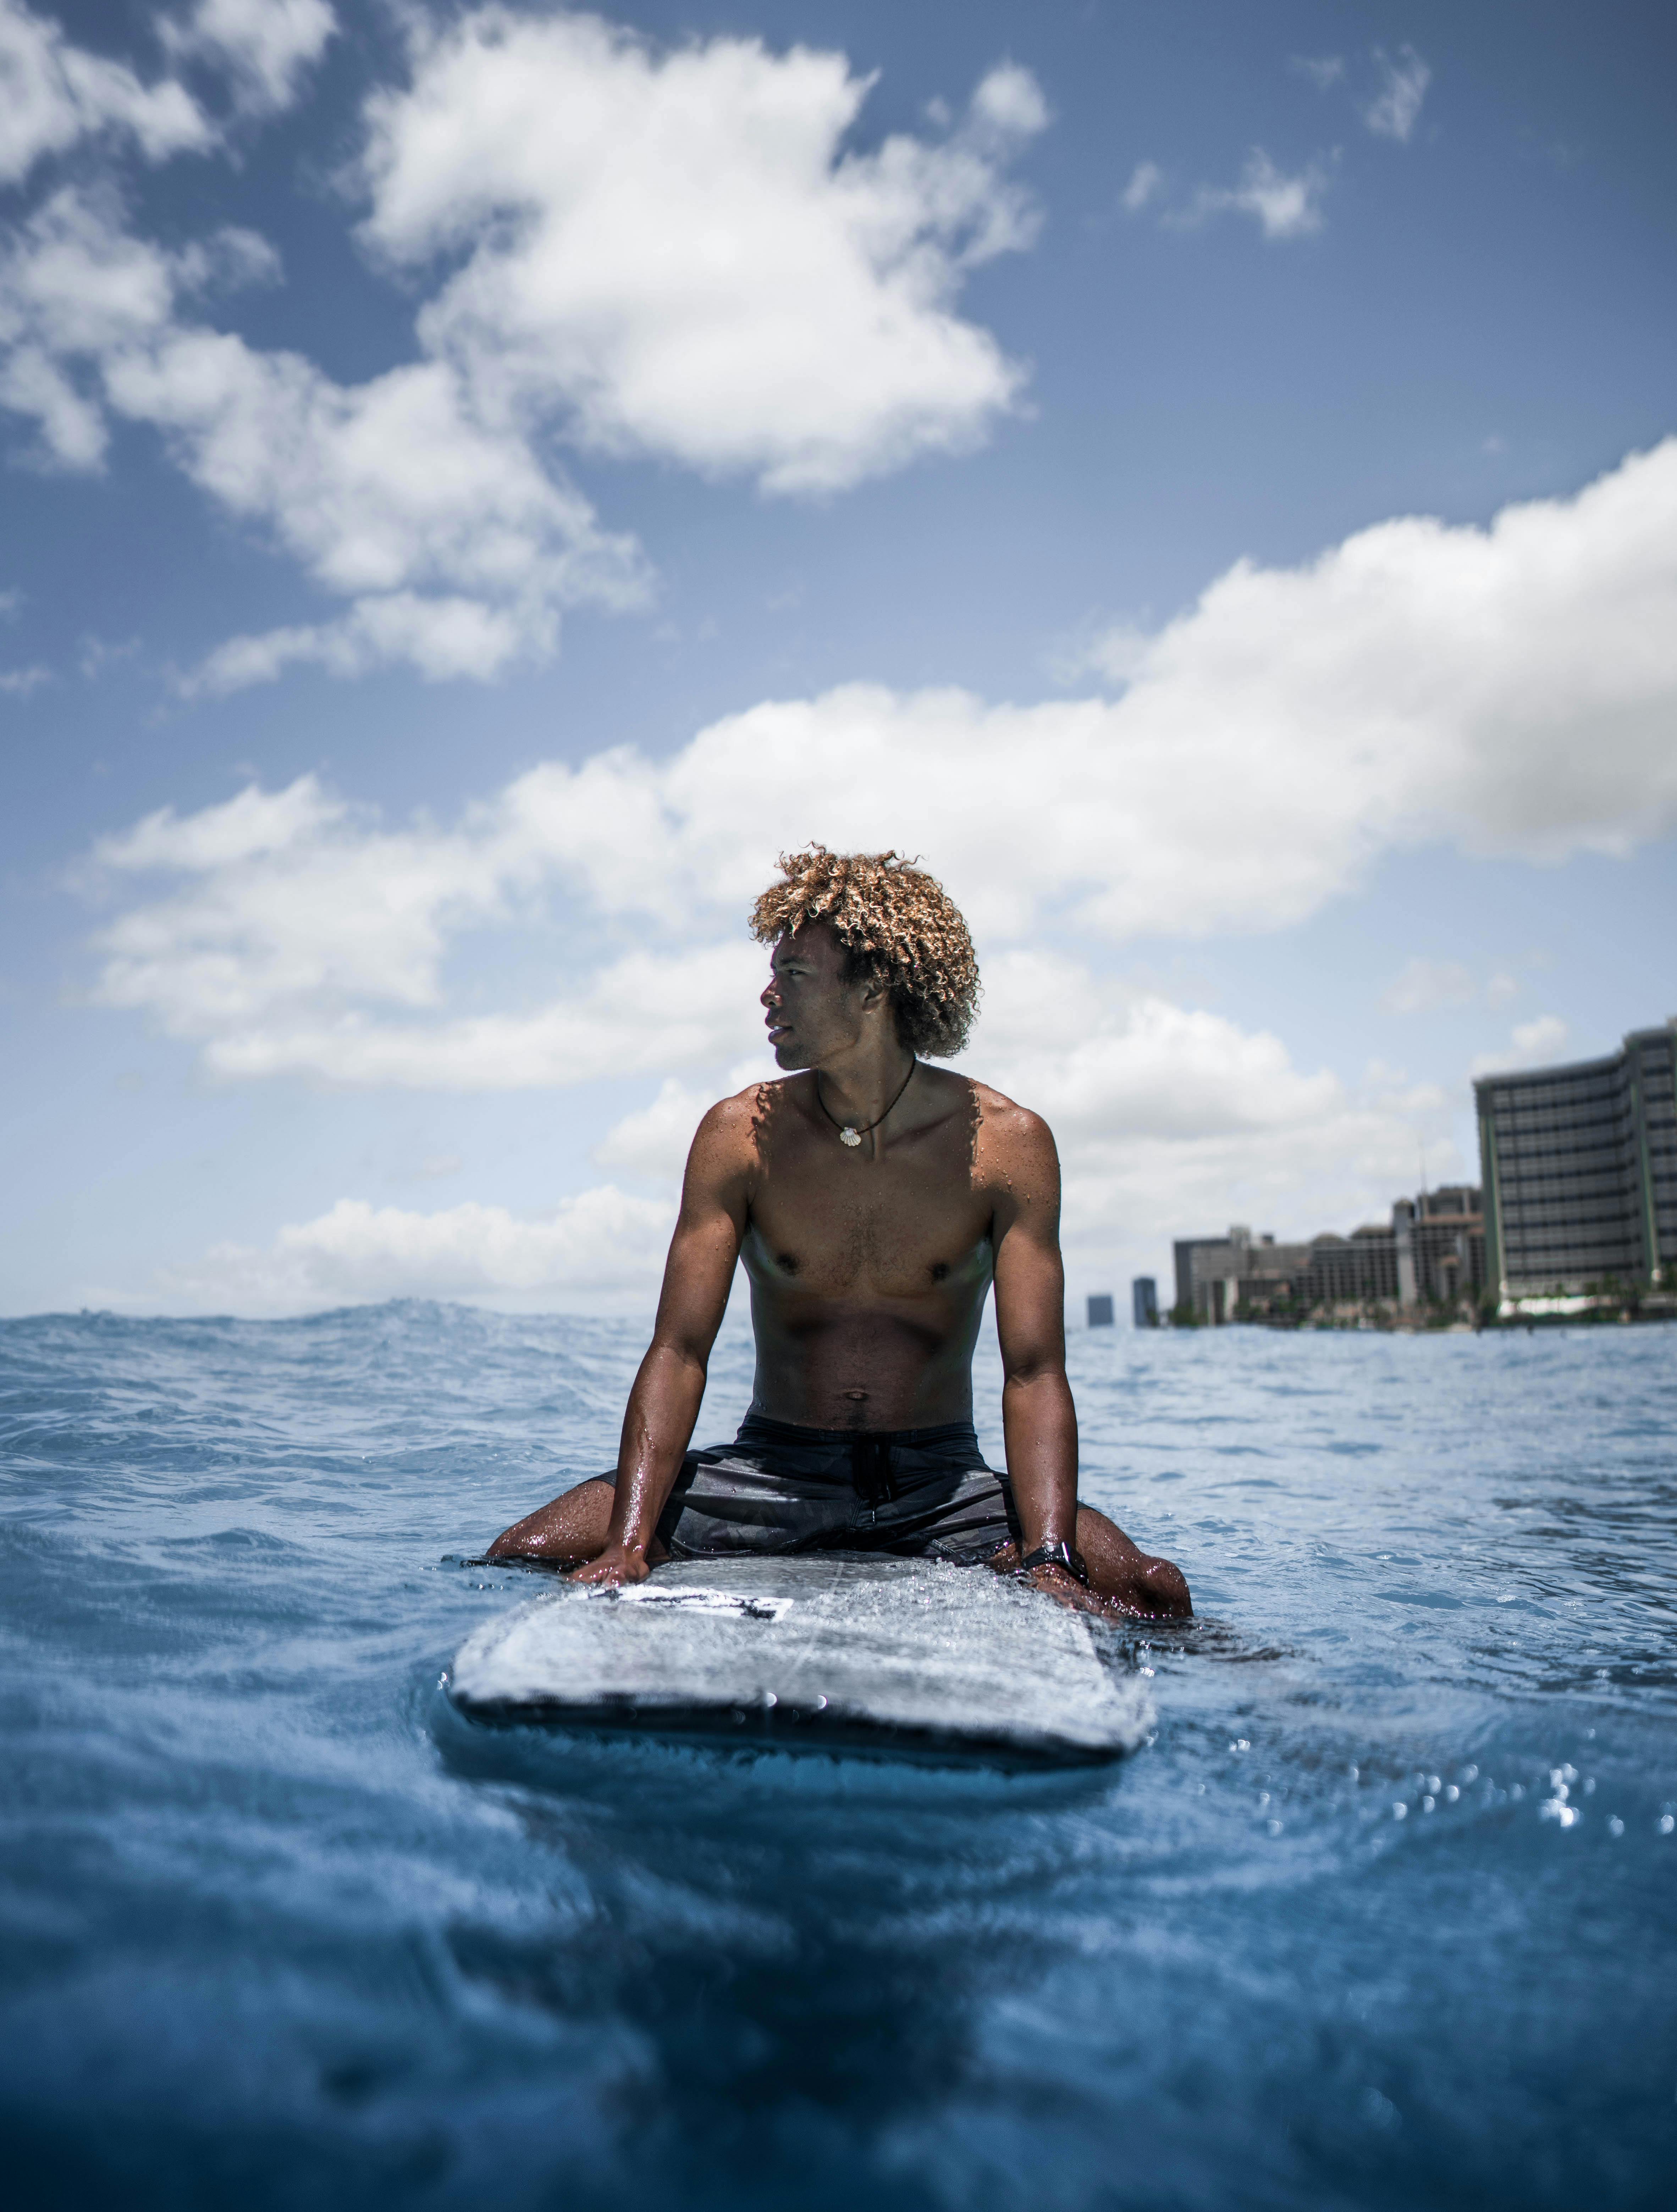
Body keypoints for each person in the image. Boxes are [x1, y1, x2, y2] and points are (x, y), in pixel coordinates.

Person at [488, 848, 1191, 1620]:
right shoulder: (739, 1136)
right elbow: (680, 1350)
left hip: (943, 1489)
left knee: (1153, 1590)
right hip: (768, 1475)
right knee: (519, 1554)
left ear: (873, 988)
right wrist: (629, 1542)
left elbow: (1034, 1373)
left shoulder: (1008, 1145)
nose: (766, 996)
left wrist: (1049, 1556)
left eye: (794, 975)